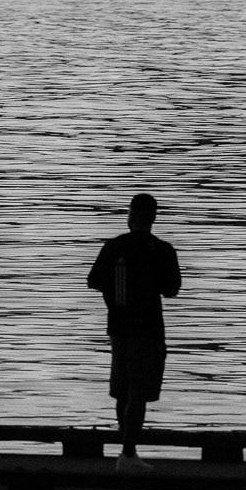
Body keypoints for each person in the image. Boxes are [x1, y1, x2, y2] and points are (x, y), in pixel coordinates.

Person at [87, 192, 181, 472]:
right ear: (153, 217)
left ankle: (126, 451)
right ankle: (128, 454)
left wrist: (115, 293)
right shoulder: (162, 250)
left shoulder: (114, 246)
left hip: (118, 327)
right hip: (148, 328)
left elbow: (94, 280)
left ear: (130, 215)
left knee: (122, 390)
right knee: (138, 389)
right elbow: (172, 289)